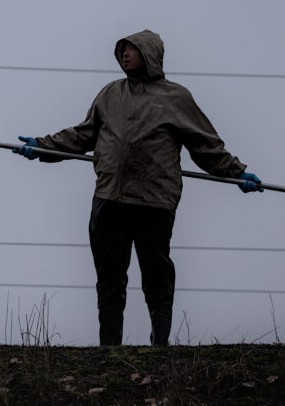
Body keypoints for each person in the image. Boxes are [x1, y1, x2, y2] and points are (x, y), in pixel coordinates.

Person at [13, 29, 262, 346]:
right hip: (109, 199)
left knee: (156, 277)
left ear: (150, 54)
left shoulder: (176, 98)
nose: (125, 54)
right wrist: (42, 148)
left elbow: (206, 146)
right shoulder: (110, 94)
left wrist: (238, 173)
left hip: (154, 201)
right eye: (123, 50)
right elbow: (81, 135)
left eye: (132, 49)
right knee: (109, 279)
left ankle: (160, 346)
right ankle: (109, 349)